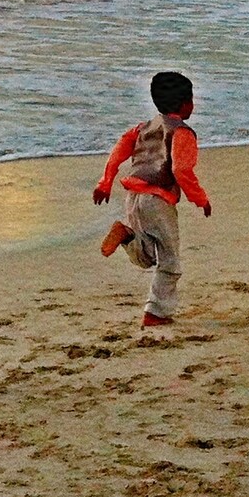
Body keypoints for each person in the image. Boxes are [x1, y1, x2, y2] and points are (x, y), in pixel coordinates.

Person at [93, 70, 211, 327]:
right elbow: (181, 170)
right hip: (158, 201)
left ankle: (125, 234)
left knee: (147, 256)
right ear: (184, 103)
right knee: (170, 261)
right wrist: (200, 199)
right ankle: (156, 313)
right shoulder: (183, 133)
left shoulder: (142, 128)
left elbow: (117, 154)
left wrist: (105, 182)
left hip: (133, 196)